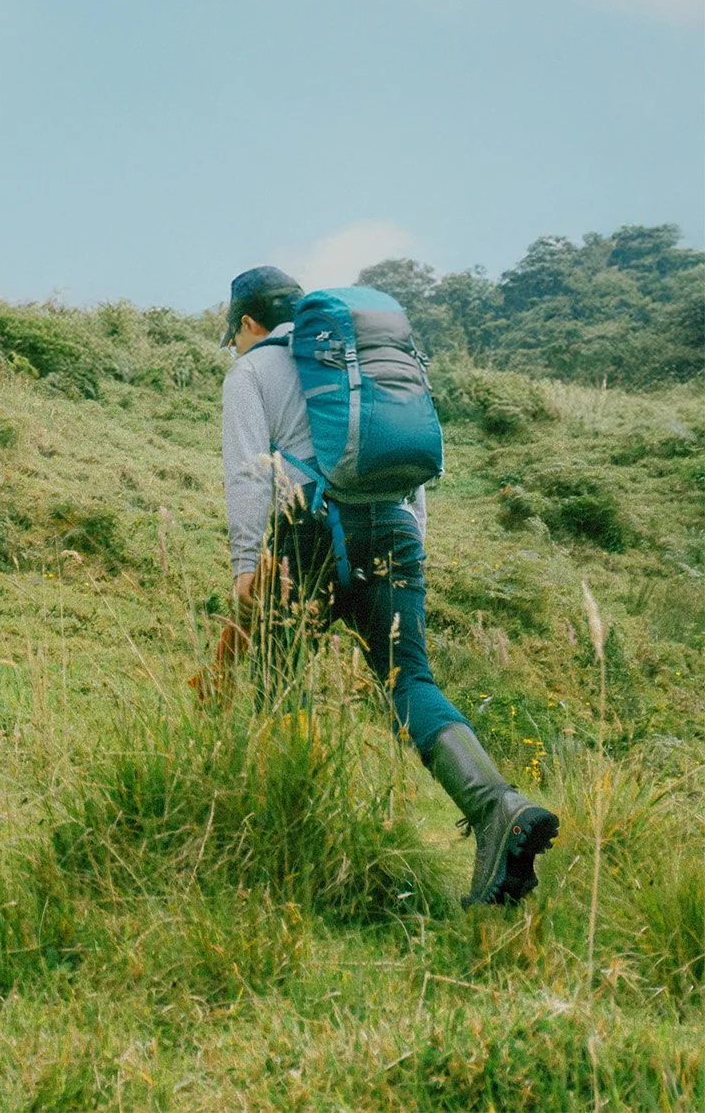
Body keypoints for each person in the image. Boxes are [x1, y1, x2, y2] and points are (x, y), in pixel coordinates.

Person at [220, 266, 559, 908]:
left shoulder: (252, 370)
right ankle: (499, 807)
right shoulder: (361, 363)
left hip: (305, 539)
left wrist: (245, 565)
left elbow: (247, 474)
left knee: (279, 682)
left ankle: (290, 855)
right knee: (410, 682)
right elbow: (409, 462)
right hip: (395, 529)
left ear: (245, 323)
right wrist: (413, 544)